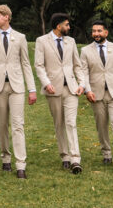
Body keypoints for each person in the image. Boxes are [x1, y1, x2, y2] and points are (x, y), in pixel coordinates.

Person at [0, 4, 37, 178]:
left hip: (17, 87)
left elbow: (26, 64)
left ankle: (21, 165)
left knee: (18, 125)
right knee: (2, 124)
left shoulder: (21, 38)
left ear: (6, 17)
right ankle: (6, 158)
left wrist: (32, 89)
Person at [34, 12, 86, 174]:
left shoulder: (71, 42)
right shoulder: (42, 41)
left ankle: (75, 159)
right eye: (67, 25)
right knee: (59, 123)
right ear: (58, 26)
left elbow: (77, 65)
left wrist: (82, 83)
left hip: (71, 88)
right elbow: (39, 66)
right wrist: (46, 83)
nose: (69, 28)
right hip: (53, 88)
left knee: (71, 122)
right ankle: (65, 156)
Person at [80, 19, 113, 170]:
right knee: (101, 126)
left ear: (106, 32)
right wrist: (87, 90)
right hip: (96, 94)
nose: (96, 34)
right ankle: (107, 153)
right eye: (94, 31)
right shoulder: (85, 51)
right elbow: (84, 73)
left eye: (99, 31)